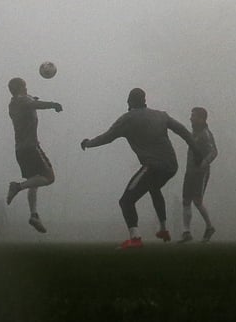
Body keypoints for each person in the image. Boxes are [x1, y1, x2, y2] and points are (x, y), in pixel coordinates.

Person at [81, 88, 200, 249]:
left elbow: (107, 138)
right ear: (144, 101)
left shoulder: (127, 119)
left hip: (153, 166)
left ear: (129, 102)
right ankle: (163, 229)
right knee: (154, 188)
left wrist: (88, 143)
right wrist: (196, 150)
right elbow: (184, 132)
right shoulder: (161, 115)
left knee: (126, 201)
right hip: (171, 166)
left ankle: (135, 239)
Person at [6, 77, 63, 233]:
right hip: (31, 147)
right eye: (25, 86)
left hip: (21, 150)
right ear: (20, 88)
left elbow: (30, 101)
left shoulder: (14, 103)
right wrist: (53, 105)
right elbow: (33, 104)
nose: (27, 88)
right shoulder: (22, 101)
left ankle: (34, 215)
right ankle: (17, 186)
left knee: (34, 181)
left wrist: (33, 99)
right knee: (49, 177)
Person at [179, 107, 218, 243]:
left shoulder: (206, 134)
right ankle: (186, 232)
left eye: (193, 116)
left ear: (202, 119)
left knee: (197, 201)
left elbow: (214, 152)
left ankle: (209, 226)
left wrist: (205, 162)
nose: (190, 118)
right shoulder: (193, 133)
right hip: (190, 171)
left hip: (200, 173)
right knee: (185, 200)